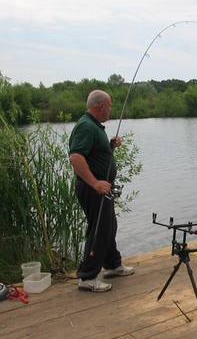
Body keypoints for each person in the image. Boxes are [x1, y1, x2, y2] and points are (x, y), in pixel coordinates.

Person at [69, 89, 134, 292]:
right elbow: (76, 157)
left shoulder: (94, 126)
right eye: (110, 105)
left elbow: (93, 155)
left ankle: (113, 265)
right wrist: (95, 183)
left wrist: (109, 147)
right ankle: (87, 277)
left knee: (108, 226)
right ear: (101, 106)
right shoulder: (86, 127)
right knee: (99, 230)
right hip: (93, 189)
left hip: (101, 188)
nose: (111, 110)